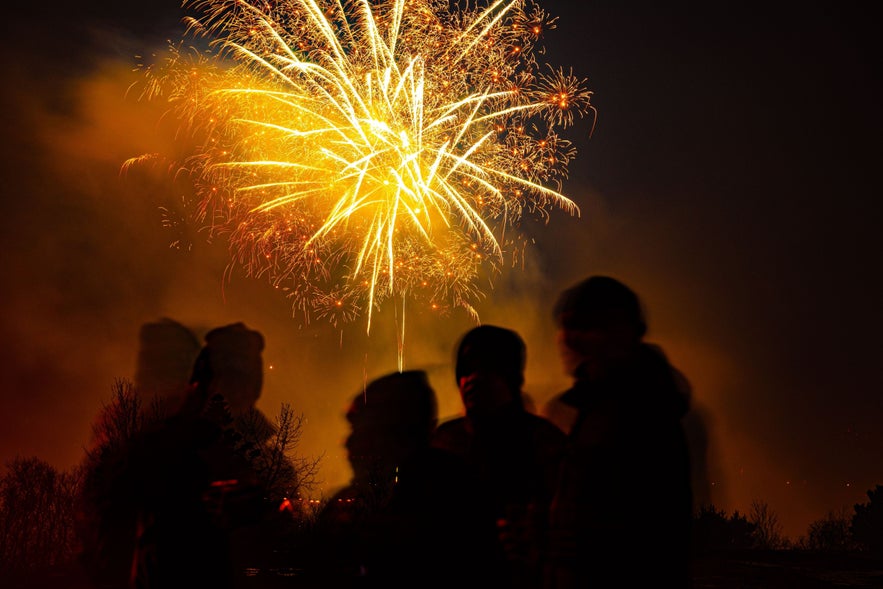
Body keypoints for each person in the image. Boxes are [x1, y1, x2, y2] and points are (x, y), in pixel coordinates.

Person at [542, 276, 694, 589]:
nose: (566, 339)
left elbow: (653, 528)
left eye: (582, 327)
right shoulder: (593, 407)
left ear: (617, 333)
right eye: (565, 327)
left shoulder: (641, 412)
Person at [311, 370, 506, 589]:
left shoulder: (448, 501)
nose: (348, 443)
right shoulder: (461, 489)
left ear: (395, 433)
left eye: (361, 429)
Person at [432, 325, 566, 589]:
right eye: (466, 371)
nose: (471, 379)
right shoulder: (442, 441)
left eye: (485, 369)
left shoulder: (543, 443)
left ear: (511, 378)